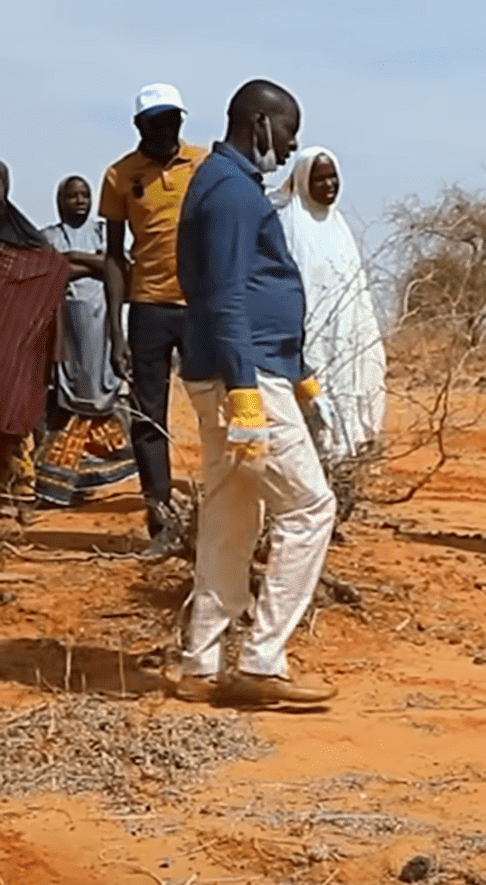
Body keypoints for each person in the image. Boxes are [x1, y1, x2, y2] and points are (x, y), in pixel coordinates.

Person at [173, 79, 338, 706]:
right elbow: (224, 297)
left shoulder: (226, 186)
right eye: (287, 131)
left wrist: (299, 374)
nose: (292, 144)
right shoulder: (229, 193)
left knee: (231, 515)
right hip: (243, 376)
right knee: (309, 507)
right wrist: (248, 390)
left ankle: (202, 663)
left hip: (250, 370)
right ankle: (263, 660)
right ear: (260, 124)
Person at [100, 83, 210, 560]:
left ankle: (223, 518)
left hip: (202, 306)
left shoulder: (205, 165)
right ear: (139, 126)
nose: (167, 129)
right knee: (148, 418)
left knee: (220, 411)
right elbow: (112, 258)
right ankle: (160, 519)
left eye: (173, 121)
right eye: (156, 122)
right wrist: (115, 331)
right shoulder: (120, 176)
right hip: (147, 307)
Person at [273, 147, 388, 498]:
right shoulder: (287, 224)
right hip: (308, 344)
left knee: (345, 421)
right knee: (309, 424)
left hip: (347, 345)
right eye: (319, 178)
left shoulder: (339, 228)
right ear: (303, 181)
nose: (328, 185)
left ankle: (340, 498)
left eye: (332, 176)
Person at [35, 176, 138, 507]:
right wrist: (98, 264)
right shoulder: (47, 237)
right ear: (59, 200)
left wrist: (76, 257)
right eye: (71, 195)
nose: (79, 200)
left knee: (104, 397)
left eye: (85, 194)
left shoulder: (104, 234)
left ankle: (93, 479)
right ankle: (57, 487)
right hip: (65, 336)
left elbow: (120, 269)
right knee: (61, 402)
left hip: (104, 332)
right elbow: (50, 273)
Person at [0, 163, 72, 538]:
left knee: (9, 410)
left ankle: (13, 495)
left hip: (8, 349)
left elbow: (54, 269)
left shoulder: (25, 245)